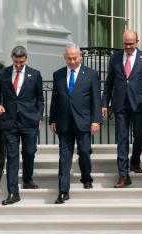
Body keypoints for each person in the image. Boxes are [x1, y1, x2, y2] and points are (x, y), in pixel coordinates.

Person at [49, 43, 102, 204]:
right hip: (64, 122)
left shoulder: (91, 74)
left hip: (84, 121)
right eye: (69, 58)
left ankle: (86, 177)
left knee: (84, 151)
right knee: (64, 157)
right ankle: (63, 191)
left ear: (80, 57)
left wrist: (96, 120)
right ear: (65, 58)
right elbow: (55, 99)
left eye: (74, 58)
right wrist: (52, 119)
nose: (72, 62)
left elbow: (96, 99)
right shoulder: (58, 74)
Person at [102, 30, 142, 188]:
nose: (128, 46)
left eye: (131, 44)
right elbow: (109, 82)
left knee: (139, 136)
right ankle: (123, 175)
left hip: (138, 105)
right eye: (125, 44)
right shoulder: (115, 58)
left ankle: (135, 160)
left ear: (137, 41)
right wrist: (105, 103)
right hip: (120, 104)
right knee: (122, 139)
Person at [0, 45, 44, 205]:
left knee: (29, 152)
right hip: (9, 122)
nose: (19, 65)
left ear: (26, 59)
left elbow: (40, 99)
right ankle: (13, 192)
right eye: (16, 62)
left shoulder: (35, 75)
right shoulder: (3, 74)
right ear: (12, 59)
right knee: (12, 157)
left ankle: (28, 179)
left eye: (21, 62)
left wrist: (38, 116)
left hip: (29, 122)